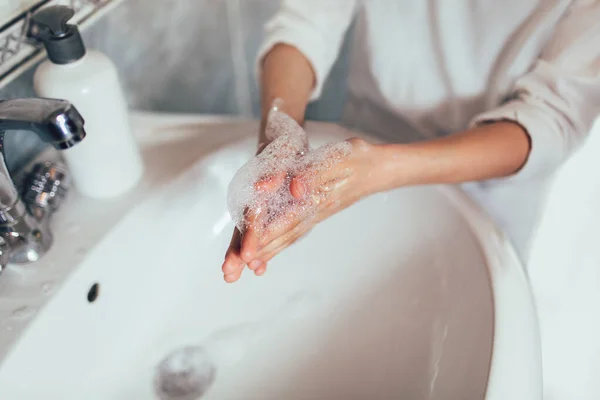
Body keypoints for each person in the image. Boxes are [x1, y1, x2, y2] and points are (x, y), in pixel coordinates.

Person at [222, 0, 600, 281]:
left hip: (487, 188)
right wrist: (281, 130)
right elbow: (306, 19)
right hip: (358, 148)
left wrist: (380, 167)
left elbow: (553, 116)